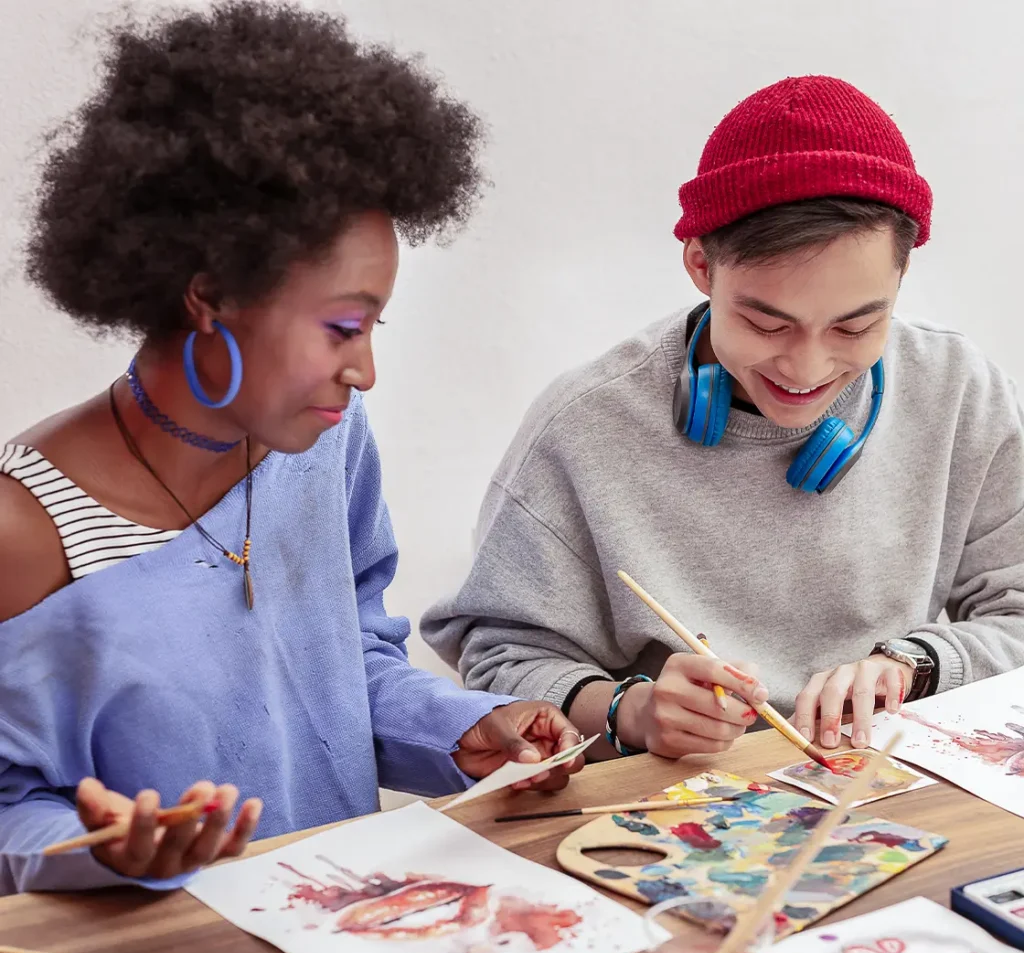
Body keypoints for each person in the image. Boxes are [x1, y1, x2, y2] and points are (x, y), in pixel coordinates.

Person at [0, 0, 584, 897]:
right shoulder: (25, 527)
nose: (366, 372)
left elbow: (349, 663)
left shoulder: (322, 445)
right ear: (211, 297)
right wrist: (99, 846)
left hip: (338, 936)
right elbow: (10, 810)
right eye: (343, 328)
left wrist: (463, 728)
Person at [423, 75, 1024, 764]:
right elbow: (501, 657)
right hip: (670, 808)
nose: (806, 369)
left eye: (856, 327)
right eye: (766, 323)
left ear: (901, 278)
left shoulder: (961, 393)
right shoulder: (584, 427)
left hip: (884, 791)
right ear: (701, 266)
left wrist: (916, 666)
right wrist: (631, 711)